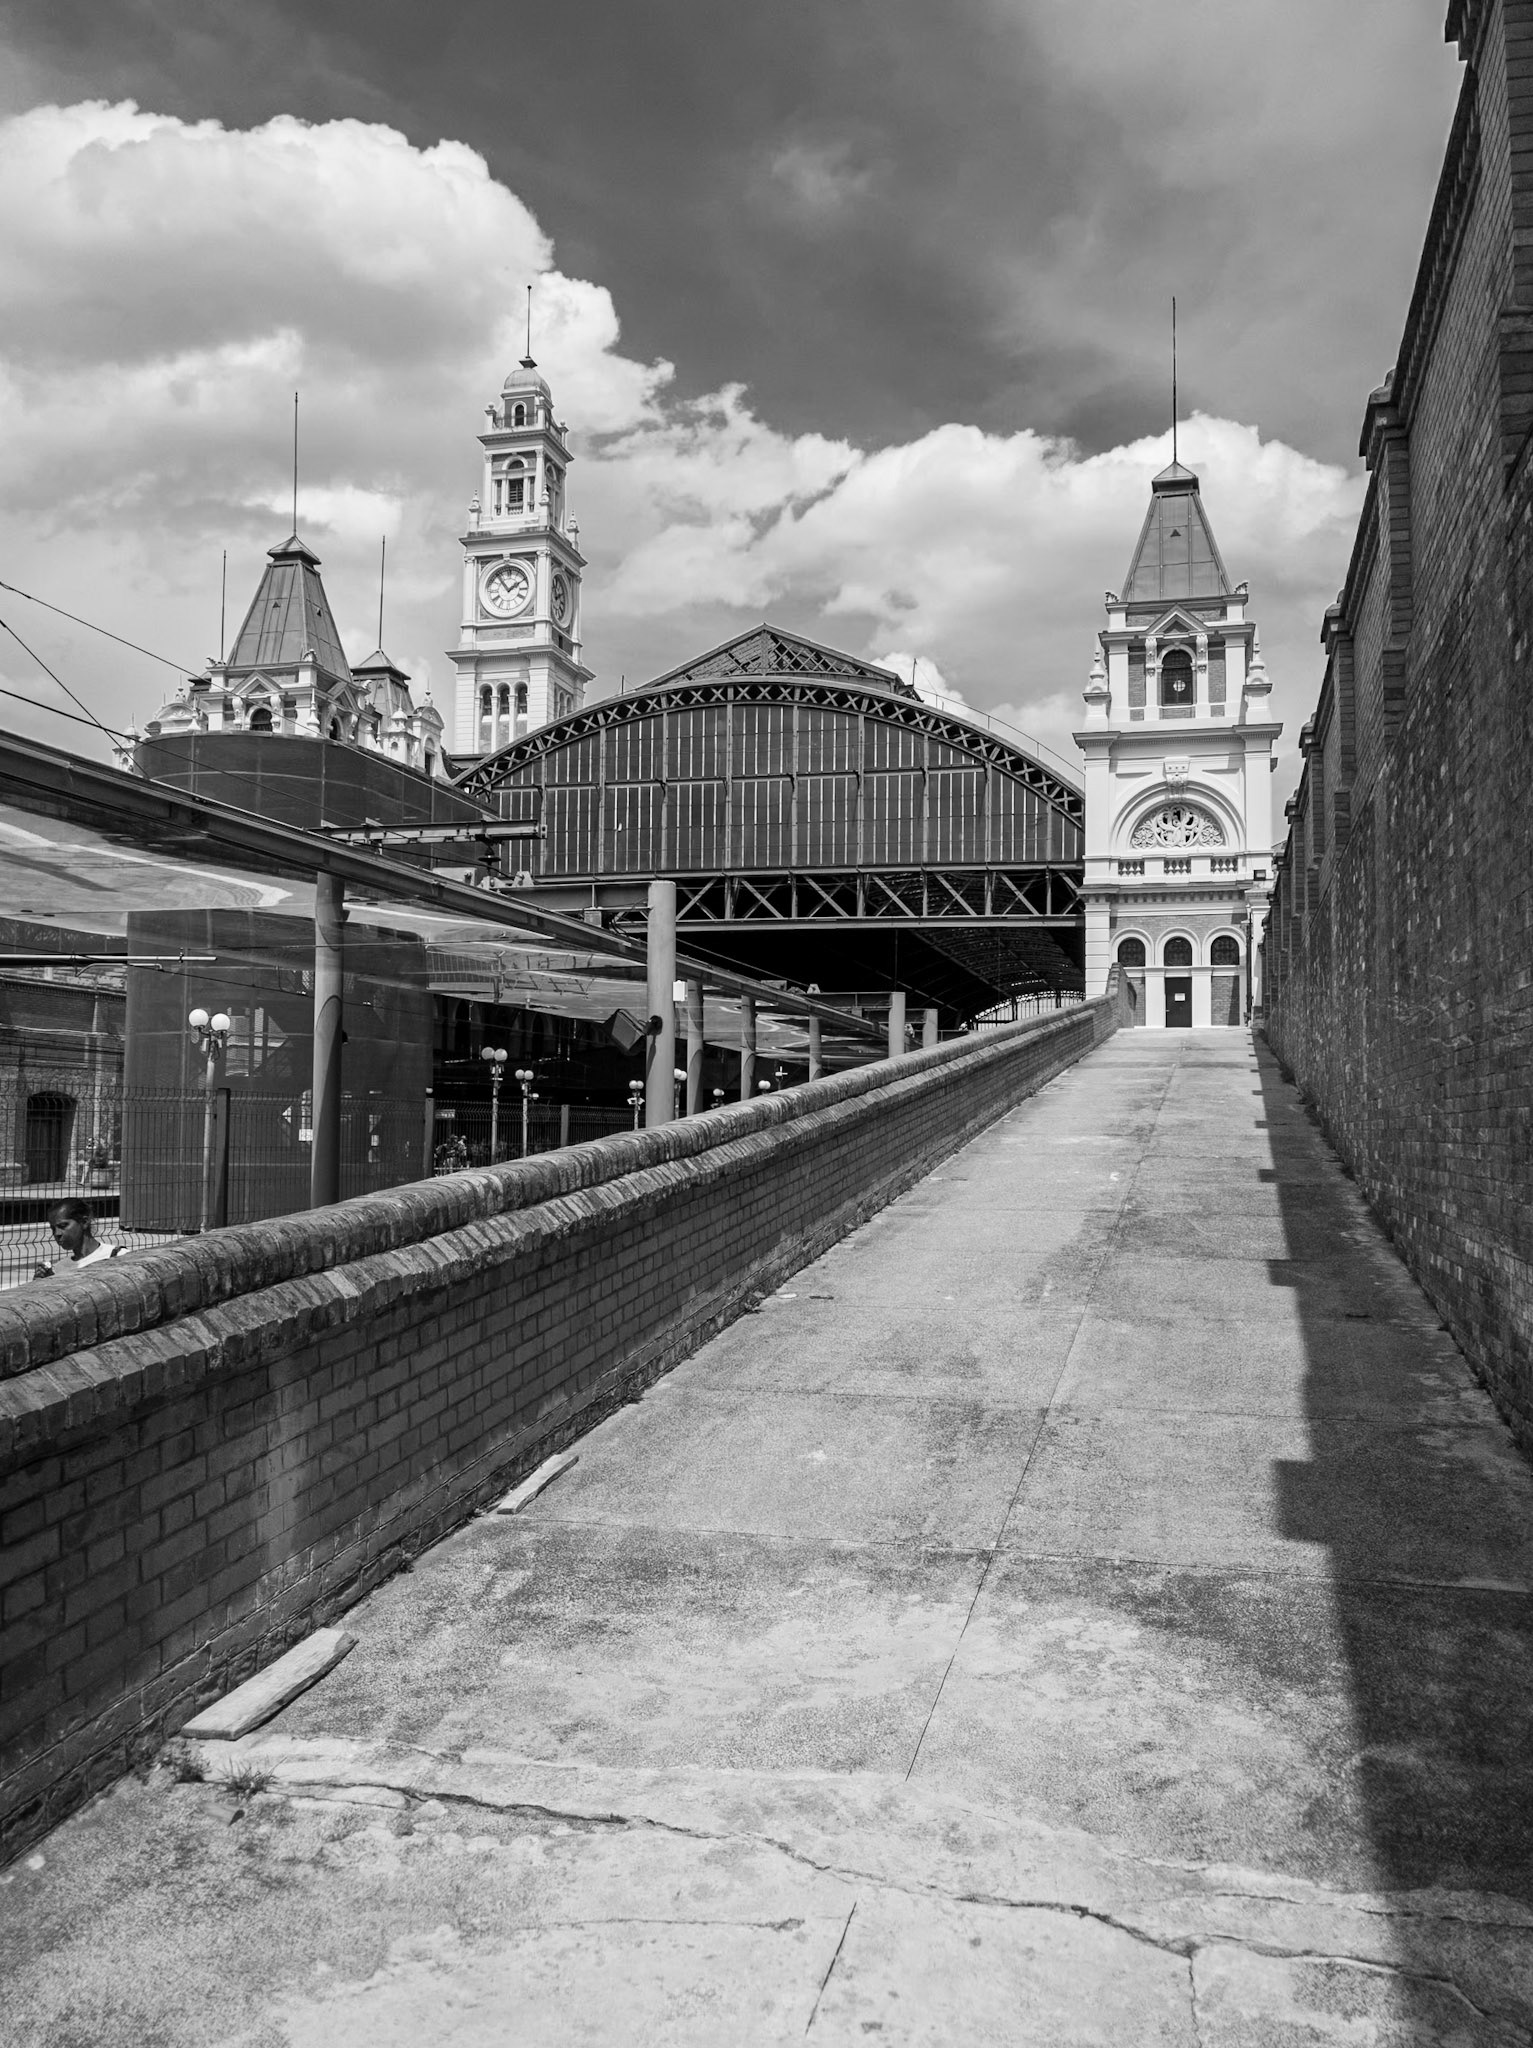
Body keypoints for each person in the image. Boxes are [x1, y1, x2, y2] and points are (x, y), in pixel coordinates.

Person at [32, 1198, 124, 1280]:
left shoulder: (117, 1256)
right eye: (53, 1229)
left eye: (63, 1226)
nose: (57, 1233)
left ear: (84, 1222)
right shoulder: (59, 1269)